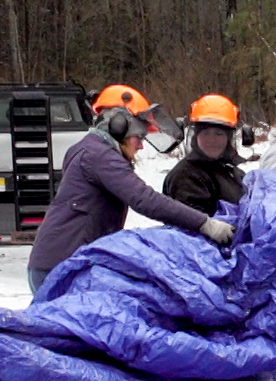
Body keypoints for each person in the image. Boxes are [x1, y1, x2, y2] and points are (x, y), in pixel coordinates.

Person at [26, 85, 233, 293]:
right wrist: (205, 223)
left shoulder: (91, 150)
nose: (141, 146)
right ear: (118, 125)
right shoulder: (98, 155)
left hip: (61, 263)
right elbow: (144, 199)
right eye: (139, 136)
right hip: (60, 268)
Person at [163, 95, 248, 216]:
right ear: (196, 137)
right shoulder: (186, 176)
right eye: (206, 133)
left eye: (218, 134)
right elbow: (193, 225)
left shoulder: (232, 172)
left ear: (228, 139)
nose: (211, 140)